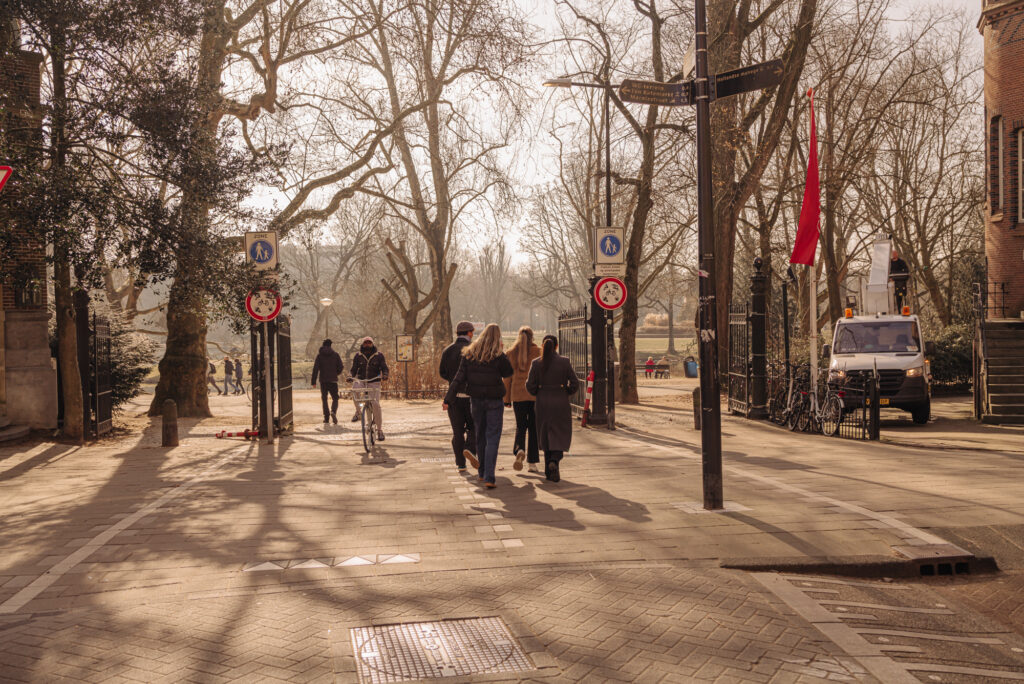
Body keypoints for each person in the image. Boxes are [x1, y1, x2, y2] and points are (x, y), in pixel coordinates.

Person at [444, 324, 513, 489]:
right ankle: (489, 476)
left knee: (480, 435)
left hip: (476, 400)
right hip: (494, 400)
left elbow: (458, 378)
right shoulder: (498, 355)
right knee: (492, 437)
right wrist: (502, 352)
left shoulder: (469, 354)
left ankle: (482, 473)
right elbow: (508, 372)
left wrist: (448, 398)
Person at [526, 335, 580, 483]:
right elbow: (575, 383)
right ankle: (555, 460)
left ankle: (548, 470)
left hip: (543, 401)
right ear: (556, 346)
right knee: (560, 433)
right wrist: (566, 391)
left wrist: (538, 392)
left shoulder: (536, 363)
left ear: (543, 346)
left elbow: (530, 385)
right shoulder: (564, 362)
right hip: (560, 400)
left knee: (545, 434)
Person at [439, 321, 477, 472]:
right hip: (471, 396)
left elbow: (442, 372)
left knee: (457, 432)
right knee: (474, 427)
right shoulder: (474, 349)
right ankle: (470, 448)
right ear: (469, 333)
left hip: (453, 397)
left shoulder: (448, 350)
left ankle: (461, 464)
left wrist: (452, 380)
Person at [503, 326, 541, 473]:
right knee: (533, 428)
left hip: (517, 395)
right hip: (534, 395)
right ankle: (532, 463)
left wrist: (506, 399)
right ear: (532, 337)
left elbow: (507, 379)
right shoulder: (538, 352)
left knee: (520, 426)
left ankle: (519, 449)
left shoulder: (510, 353)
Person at [349, 336, 389, 440]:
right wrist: (350, 376)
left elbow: (384, 367)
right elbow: (354, 369)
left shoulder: (379, 355)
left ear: (372, 344)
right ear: (363, 344)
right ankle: (358, 412)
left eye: (369, 343)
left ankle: (379, 430)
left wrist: (385, 375)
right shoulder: (358, 355)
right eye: (365, 343)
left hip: (374, 381)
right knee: (355, 389)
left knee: (375, 404)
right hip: (362, 380)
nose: (367, 344)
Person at [311, 339, 344, 424]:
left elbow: (315, 369)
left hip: (323, 381)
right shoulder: (335, 355)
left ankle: (326, 418)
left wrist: (313, 382)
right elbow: (341, 367)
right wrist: (336, 373)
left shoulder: (319, 356)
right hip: (333, 380)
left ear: (323, 345)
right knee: (335, 398)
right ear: (330, 345)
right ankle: (333, 411)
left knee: (324, 399)